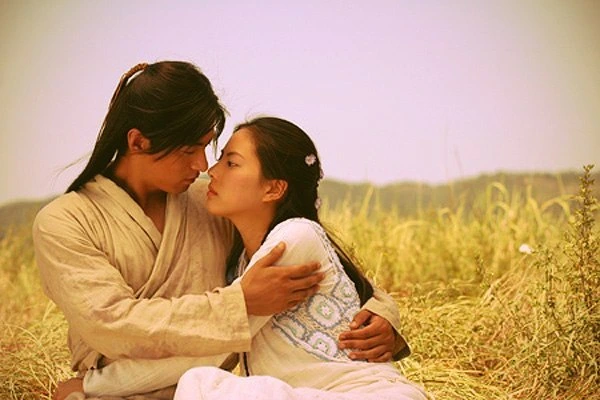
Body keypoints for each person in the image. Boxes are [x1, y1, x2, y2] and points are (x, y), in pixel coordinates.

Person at [32, 61, 409, 400]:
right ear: (138, 141)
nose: (203, 165)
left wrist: (381, 315)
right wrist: (239, 305)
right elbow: (111, 325)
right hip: (118, 390)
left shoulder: (212, 201)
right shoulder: (65, 222)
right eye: (188, 150)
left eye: (209, 147)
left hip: (207, 387)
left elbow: (317, 262)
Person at [172, 117, 427, 399]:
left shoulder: (296, 236)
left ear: (273, 189)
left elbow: (217, 334)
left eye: (231, 163)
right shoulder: (243, 259)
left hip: (370, 395)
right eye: (221, 159)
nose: (212, 170)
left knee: (200, 382)